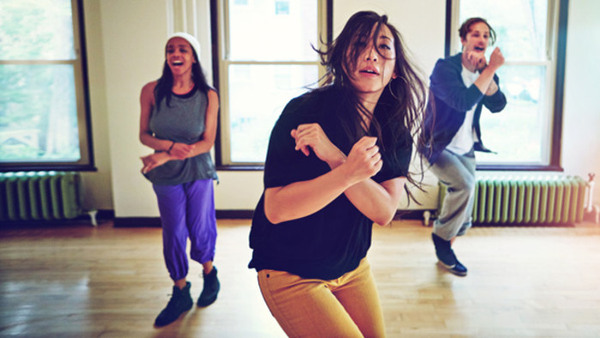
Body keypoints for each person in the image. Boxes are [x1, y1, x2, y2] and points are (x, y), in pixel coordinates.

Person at [248, 11, 428, 337]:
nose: (371, 54)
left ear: (395, 71)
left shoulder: (394, 129)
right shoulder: (304, 113)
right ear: (343, 56)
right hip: (291, 270)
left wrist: (337, 160)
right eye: (360, 44)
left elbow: (383, 210)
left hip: (352, 267)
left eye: (384, 48)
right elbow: (277, 209)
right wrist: (348, 174)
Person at [139, 32, 220, 327]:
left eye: (183, 49)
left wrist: (164, 154)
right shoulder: (151, 91)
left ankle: (210, 275)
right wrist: (169, 150)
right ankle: (180, 290)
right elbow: (144, 135)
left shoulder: (208, 95)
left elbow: (206, 142)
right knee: (173, 231)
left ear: (193, 58)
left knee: (199, 227)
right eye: (170, 49)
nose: (176, 53)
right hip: (166, 175)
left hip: (198, 169)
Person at [418, 17, 507, 277]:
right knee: (464, 186)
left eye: (485, 35)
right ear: (463, 39)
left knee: (465, 217)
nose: (481, 39)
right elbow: (462, 101)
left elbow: (498, 104)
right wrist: (490, 69)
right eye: (475, 34)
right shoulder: (445, 68)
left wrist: (486, 72)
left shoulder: (484, 70)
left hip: (466, 146)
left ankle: (445, 254)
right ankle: (442, 242)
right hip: (437, 145)